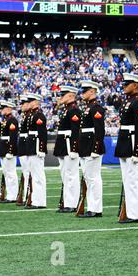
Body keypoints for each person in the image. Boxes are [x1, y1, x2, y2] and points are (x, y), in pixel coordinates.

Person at [114, 73, 138, 223]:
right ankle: (129, 211)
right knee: (127, 179)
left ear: (135, 85)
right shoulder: (128, 101)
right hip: (124, 141)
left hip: (133, 140)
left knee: (134, 179)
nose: (124, 86)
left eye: (127, 84)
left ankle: (136, 214)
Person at [78, 80, 106, 218]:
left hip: (91, 146)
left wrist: (96, 148)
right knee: (88, 178)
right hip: (85, 146)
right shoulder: (88, 107)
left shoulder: (96, 108)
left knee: (93, 178)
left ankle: (95, 208)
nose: (82, 94)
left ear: (92, 91)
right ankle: (92, 207)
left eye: (85, 91)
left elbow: (99, 130)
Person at [54, 85, 81, 213]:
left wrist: (74, 149)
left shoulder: (74, 110)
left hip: (69, 145)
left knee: (71, 175)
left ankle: (73, 203)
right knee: (65, 174)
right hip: (63, 144)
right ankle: (67, 202)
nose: (60, 98)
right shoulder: (66, 110)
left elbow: (76, 131)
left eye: (63, 95)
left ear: (70, 96)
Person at [25, 93, 47, 209]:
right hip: (31, 146)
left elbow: (42, 133)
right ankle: (35, 200)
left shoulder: (39, 115)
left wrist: (41, 149)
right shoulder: (32, 116)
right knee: (34, 175)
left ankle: (40, 201)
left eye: (31, 101)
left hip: (36, 147)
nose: (29, 103)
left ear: (36, 102)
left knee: (38, 175)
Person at [0, 100, 19, 203]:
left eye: (3, 108)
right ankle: (9, 195)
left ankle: (13, 195)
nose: (1, 110)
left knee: (11, 173)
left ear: (9, 109)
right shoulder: (5, 120)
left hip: (8, 149)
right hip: (3, 149)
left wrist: (11, 151)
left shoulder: (12, 120)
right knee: (6, 173)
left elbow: (13, 137)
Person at [16, 95, 31, 206]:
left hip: (27, 144)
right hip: (23, 145)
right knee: (25, 171)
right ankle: (26, 194)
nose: (21, 106)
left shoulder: (30, 116)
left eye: (23, 104)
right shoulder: (25, 116)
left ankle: (29, 195)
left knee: (29, 172)